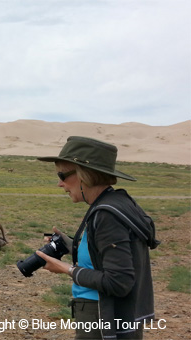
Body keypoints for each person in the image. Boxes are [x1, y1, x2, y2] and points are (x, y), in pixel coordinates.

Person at [35, 136, 158, 340]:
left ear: (85, 174)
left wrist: (67, 269)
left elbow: (119, 281)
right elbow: (103, 252)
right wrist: (68, 243)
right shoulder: (116, 202)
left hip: (102, 319)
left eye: (62, 175)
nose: (59, 183)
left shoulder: (107, 214)